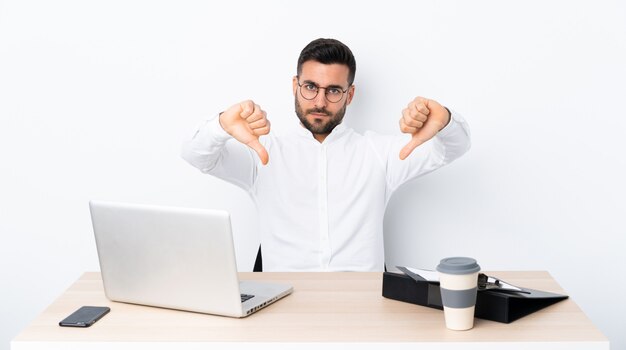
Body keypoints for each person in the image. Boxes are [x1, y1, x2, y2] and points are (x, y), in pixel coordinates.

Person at [181, 38, 471, 272]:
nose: (320, 102)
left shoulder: (379, 153)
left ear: (350, 94)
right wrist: (220, 125)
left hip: (363, 308)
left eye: (333, 90)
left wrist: (444, 119)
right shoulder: (263, 153)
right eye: (310, 87)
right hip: (283, 307)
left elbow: (453, 148)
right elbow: (196, 155)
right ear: (295, 86)